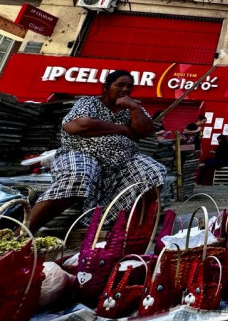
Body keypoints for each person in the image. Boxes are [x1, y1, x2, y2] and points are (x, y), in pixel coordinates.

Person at [28, 70, 167, 233]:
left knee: (154, 172)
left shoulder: (134, 109)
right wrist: (123, 129)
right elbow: (81, 124)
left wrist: (134, 107)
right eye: (120, 85)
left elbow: (144, 131)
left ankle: (132, 230)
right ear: (106, 87)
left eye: (129, 86)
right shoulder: (90, 102)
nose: (125, 89)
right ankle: (25, 230)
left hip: (123, 160)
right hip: (82, 152)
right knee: (78, 176)